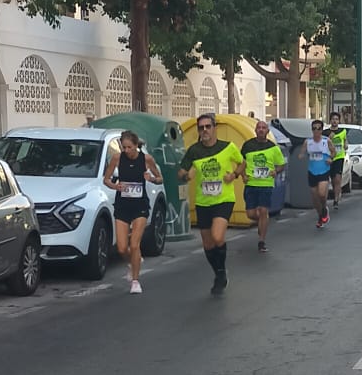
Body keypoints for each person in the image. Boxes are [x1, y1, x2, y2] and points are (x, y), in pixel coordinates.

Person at [179, 113, 246, 295]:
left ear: (214, 128)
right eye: (201, 128)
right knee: (208, 244)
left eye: (208, 127)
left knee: (217, 237)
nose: (205, 131)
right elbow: (181, 172)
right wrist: (187, 175)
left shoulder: (228, 147)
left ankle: (222, 271)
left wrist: (233, 175)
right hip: (203, 201)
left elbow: (242, 163)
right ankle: (218, 273)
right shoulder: (194, 151)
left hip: (224, 199)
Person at [103, 130, 163, 293]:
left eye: (129, 147)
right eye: (124, 147)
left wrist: (151, 178)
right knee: (122, 248)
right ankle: (133, 262)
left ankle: (135, 281)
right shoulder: (117, 158)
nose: (126, 151)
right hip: (122, 205)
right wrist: (115, 186)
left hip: (140, 206)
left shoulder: (146, 159)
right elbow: (106, 179)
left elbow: (160, 178)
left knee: (134, 244)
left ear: (136, 146)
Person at [241, 119, 287, 253]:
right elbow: (241, 163)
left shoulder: (273, 148)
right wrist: (243, 175)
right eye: (259, 127)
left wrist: (275, 171)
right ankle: (263, 220)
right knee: (251, 214)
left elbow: (281, 165)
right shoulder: (247, 146)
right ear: (255, 131)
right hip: (251, 184)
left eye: (263, 127)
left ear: (267, 131)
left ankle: (261, 241)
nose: (261, 129)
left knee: (263, 210)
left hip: (266, 184)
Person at [304, 118, 333, 228]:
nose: (316, 131)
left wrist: (331, 158)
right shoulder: (308, 142)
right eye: (314, 129)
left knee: (321, 194)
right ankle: (320, 215)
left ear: (322, 130)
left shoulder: (326, 141)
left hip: (324, 170)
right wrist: (301, 155)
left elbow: (334, 151)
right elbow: (302, 152)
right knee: (315, 199)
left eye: (319, 129)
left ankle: (324, 208)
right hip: (312, 171)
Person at [329, 118, 348, 209]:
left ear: (339, 121)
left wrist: (346, 144)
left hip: (339, 157)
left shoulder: (343, 131)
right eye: (333, 119)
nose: (334, 121)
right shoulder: (326, 132)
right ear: (330, 121)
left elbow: (345, 140)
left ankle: (336, 200)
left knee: (337, 178)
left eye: (336, 119)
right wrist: (329, 138)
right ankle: (336, 192)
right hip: (329, 157)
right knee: (332, 179)